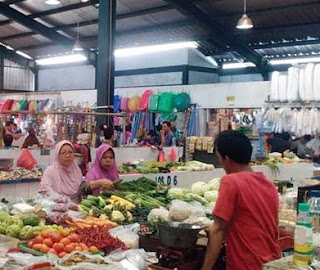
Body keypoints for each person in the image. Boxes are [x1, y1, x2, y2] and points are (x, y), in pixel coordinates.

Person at [201, 130, 280, 270]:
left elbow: (218, 230)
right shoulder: (268, 184)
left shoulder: (231, 182)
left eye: (218, 157)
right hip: (272, 262)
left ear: (226, 158)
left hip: (246, 264)